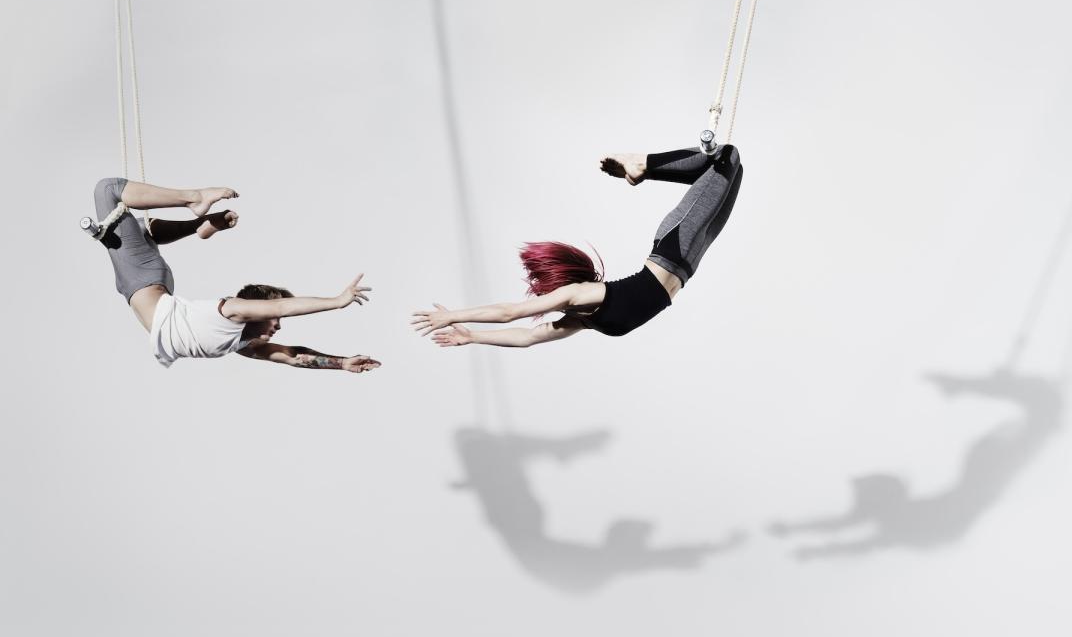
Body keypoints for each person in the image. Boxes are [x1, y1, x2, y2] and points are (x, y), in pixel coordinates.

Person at [411, 144, 743, 346]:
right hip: (690, 261)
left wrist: (453, 315)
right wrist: (472, 336)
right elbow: (527, 337)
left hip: (673, 246)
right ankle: (642, 167)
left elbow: (509, 313)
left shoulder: (578, 294)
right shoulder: (580, 319)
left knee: (725, 157)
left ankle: (641, 163)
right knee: (732, 167)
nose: (543, 297)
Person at [87, 177, 381, 371]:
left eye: (275, 318)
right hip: (145, 281)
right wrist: (337, 302)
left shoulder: (241, 342)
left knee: (130, 217)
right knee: (111, 195)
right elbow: (284, 312)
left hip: (144, 283)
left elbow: (293, 355)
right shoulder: (231, 311)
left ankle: (201, 222)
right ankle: (195, 203)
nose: (278, 325)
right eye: (274, 317)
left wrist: (342, 363)